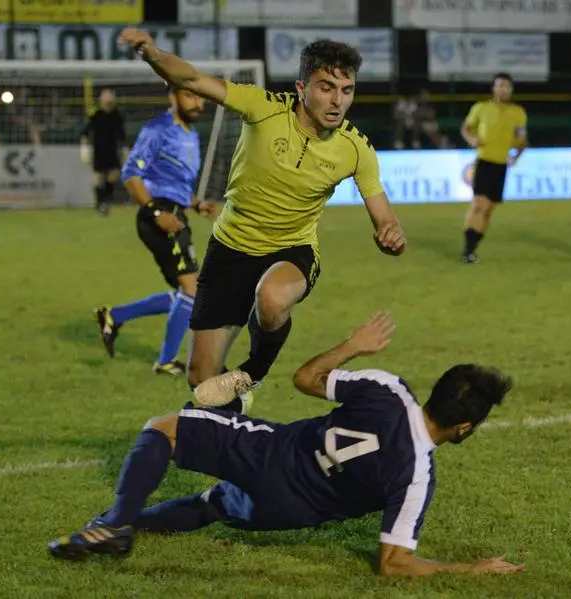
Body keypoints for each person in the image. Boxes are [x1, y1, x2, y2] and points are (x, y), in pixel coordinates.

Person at [48, 313, 523, 578]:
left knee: (164, 427)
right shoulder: (417, 476)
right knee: (211, 506)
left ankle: (118, 523)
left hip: (273, 454)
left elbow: (305, 378)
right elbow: (394, 563)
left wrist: (352, 344)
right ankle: (119, 526)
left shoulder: (388, 390)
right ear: (464, 428)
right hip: (285, 511)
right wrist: (470, 569)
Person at [115, 29, 407, 411]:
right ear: (302, 87)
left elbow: (383, 214)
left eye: (347, 90)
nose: (337, 100)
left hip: (293, 250)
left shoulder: (355, 148)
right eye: (326, 87)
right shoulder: (263, 106)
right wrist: (150, 51)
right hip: (230, 249)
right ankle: (239, 425)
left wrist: (391, 232)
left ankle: (253, 371)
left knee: (270, 298)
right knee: (201, 380)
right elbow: (190, 79)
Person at [95, 85, 217, 376]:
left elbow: (175, 184)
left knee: (188, 292)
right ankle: (165, 361)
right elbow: (131, 174)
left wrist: (197, 204)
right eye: (189, 95)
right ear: (172, 97)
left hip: (175, 214)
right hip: (159, 216)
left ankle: (114, 316)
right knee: (192, 288)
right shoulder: (158, 128)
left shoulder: (191, 134)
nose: (197, 102)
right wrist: (156, 214)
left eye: (199, 96)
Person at [459, 73, 528, 264]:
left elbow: (521, 138)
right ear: (494, 88)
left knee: (488, 210)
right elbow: (466, 128)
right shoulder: (481, 108)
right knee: (478, 204)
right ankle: (467, 250)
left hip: (501, 165)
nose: (503, 89)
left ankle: (472, 247)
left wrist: (517, 153)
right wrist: (472, 139)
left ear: (511, 90)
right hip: (484, 162)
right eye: (500, 85)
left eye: (507, 86)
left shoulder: (518, 113)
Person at [80, 88, 127, 215]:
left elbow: (122, 136)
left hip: (113, 151)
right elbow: (85, 133)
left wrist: (124, 151)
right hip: (99, 150)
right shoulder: (96, 115)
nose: (109, 99)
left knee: (114, 176)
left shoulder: (118, 115)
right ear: (101, 99)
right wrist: (84, 150)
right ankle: (100, 203)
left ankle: (105, 200)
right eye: (106, 96)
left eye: (111, 96)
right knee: (98, 177)